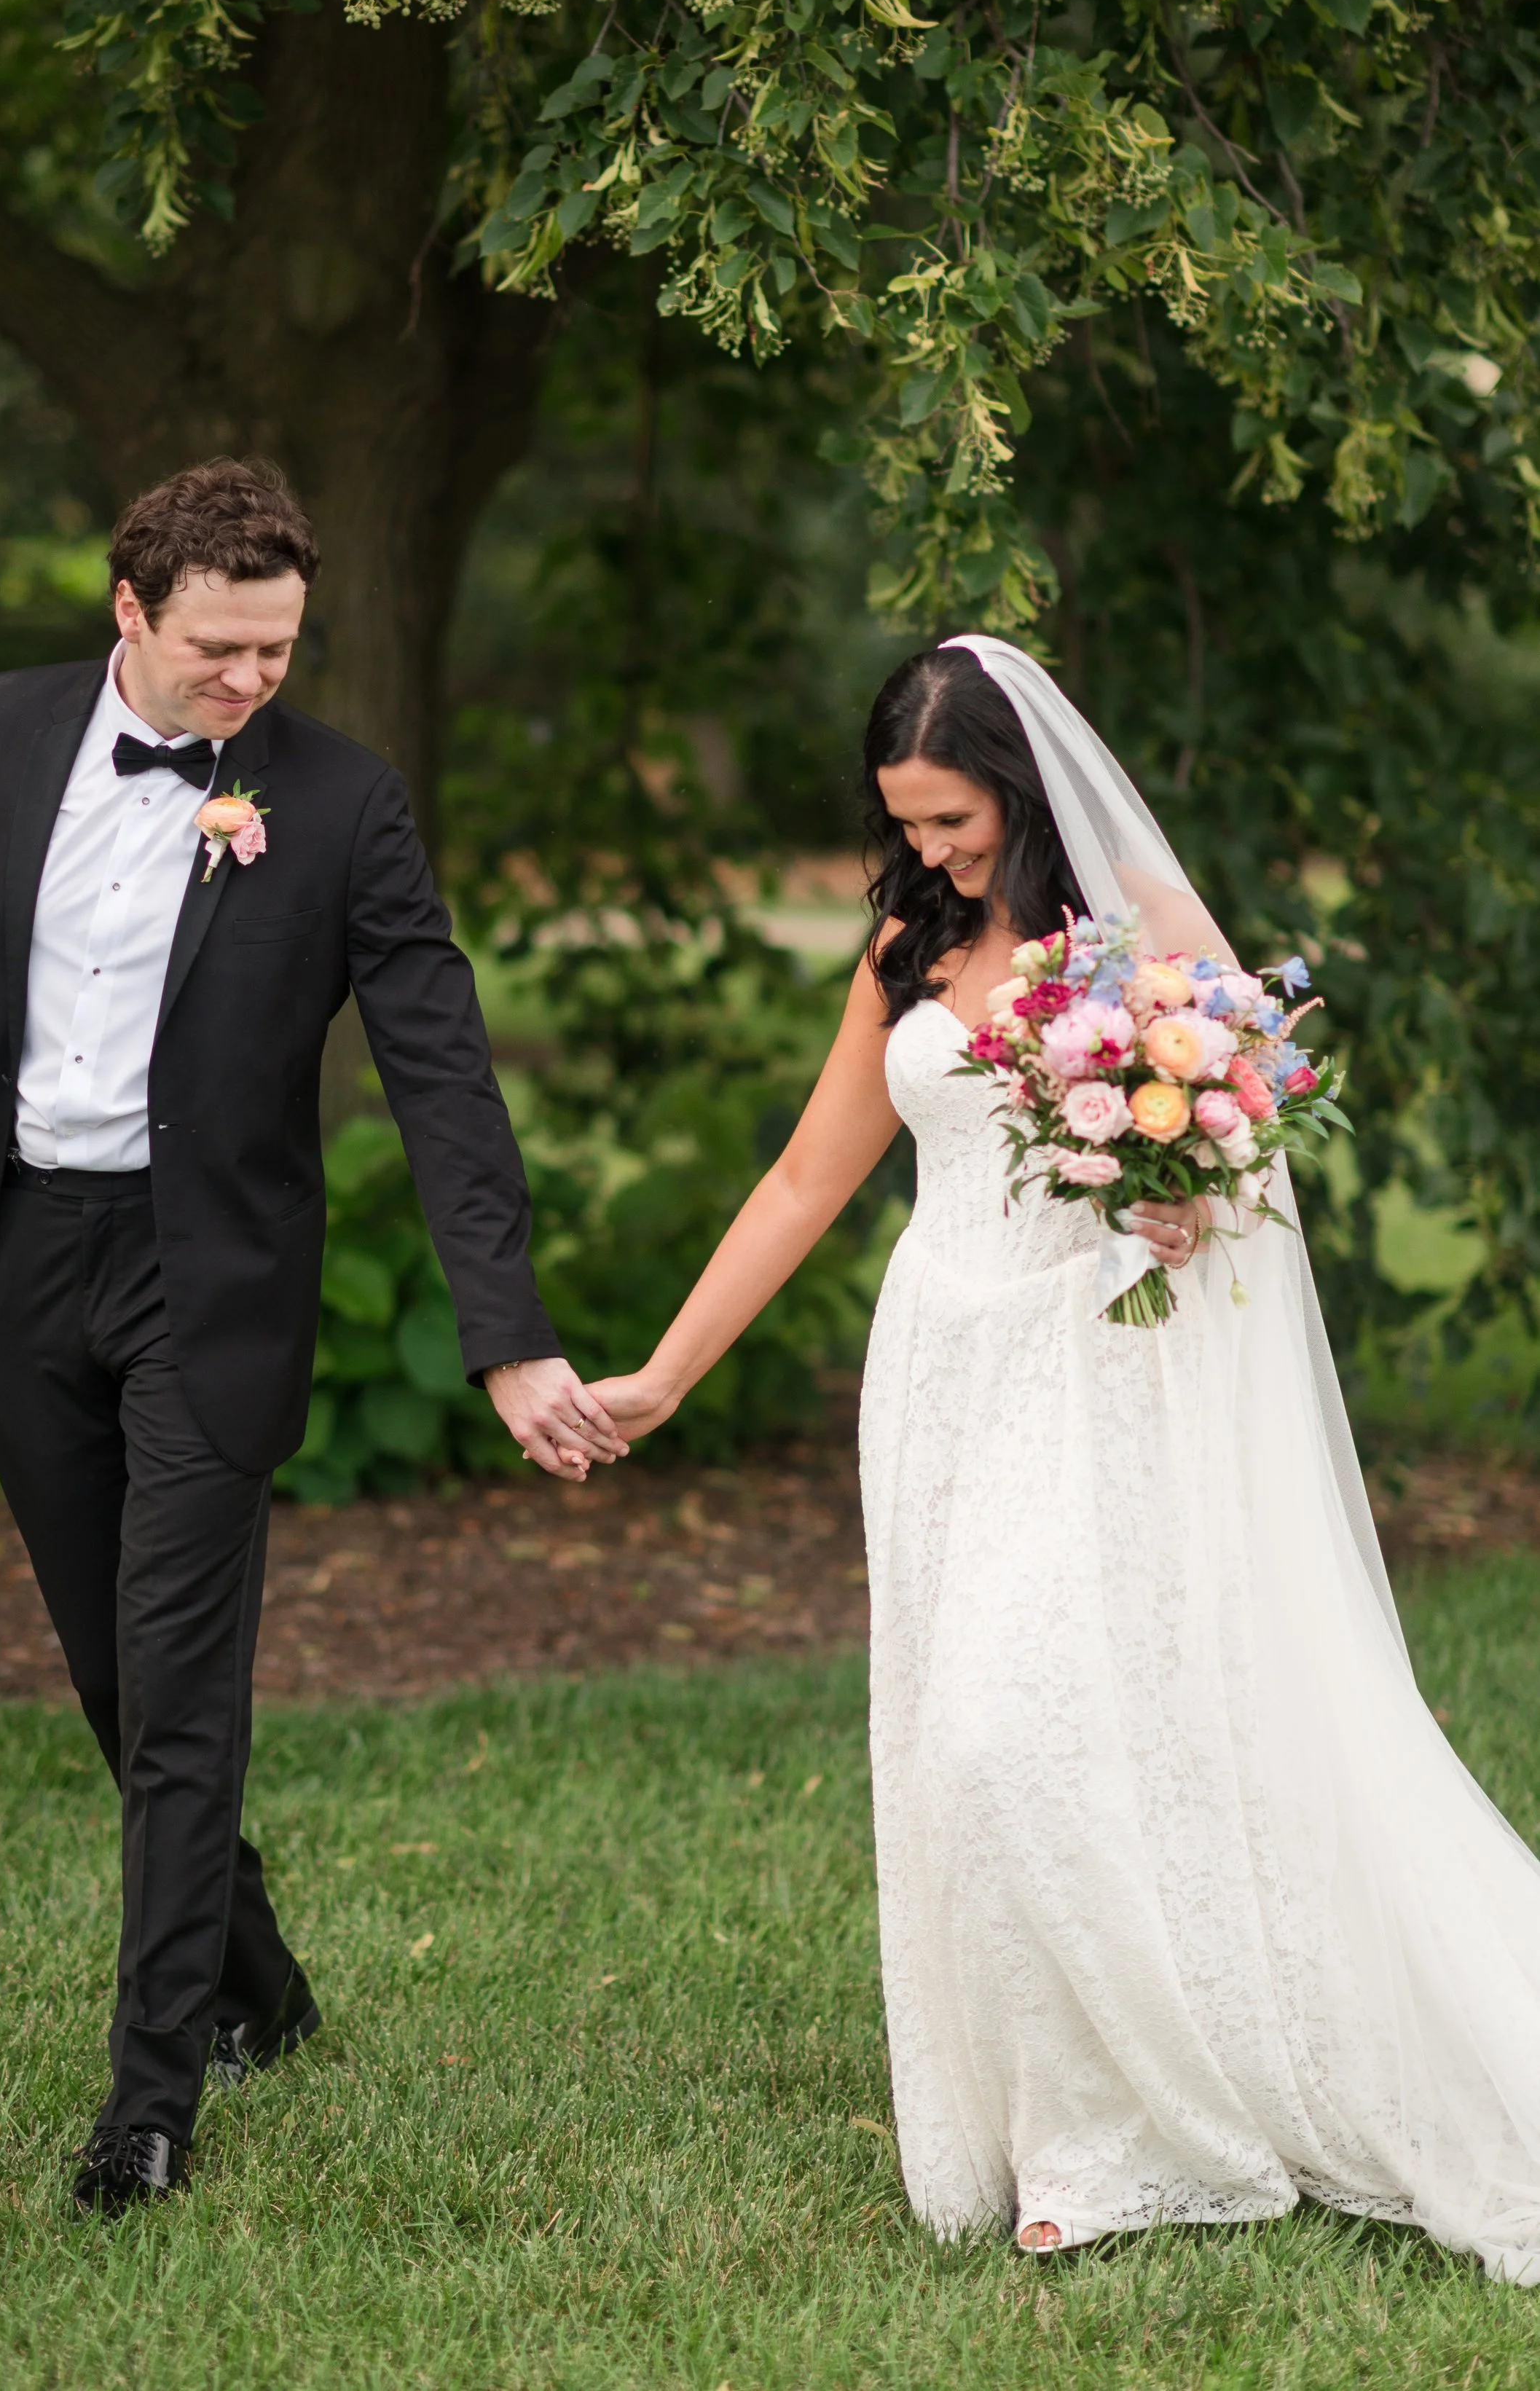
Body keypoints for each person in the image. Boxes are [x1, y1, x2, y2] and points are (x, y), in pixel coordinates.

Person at [589, 635, 1540, 2282]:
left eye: (953, 818)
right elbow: (811, 1177)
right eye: (907, 819)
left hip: (1100, 1365)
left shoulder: (1140, 948)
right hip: (940, 1372)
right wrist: (668, 1373)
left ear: (1019, 792)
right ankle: (1065, 2112)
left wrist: (1192, 1198)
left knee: (1006, 1734)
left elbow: (1254, 1151)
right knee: (977, 1738)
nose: (933, 848)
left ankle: (1136, 2137)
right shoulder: (904, 944)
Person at [0, 458, 624, 2218]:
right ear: (129, 611)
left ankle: (152, 2102)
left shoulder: (345, 805)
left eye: (278, 650)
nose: (249, 683)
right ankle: (268, 1986)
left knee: (181, 1693)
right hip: (12, 1259)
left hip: (199, 1285)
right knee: (110, 1679)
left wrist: (506, 1336)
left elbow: (442, 1073)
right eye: (220, 647)